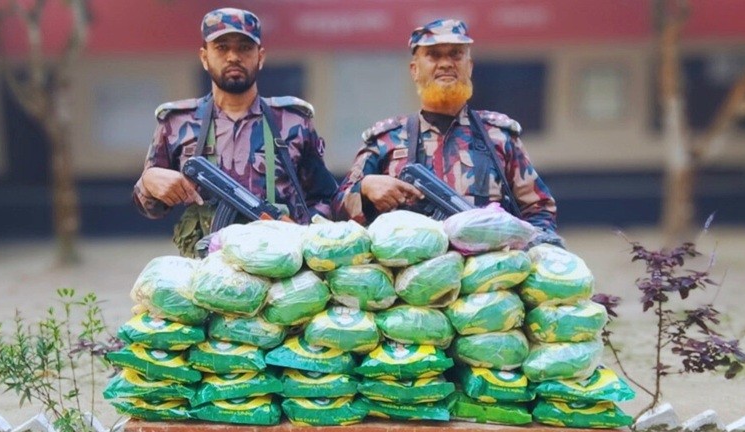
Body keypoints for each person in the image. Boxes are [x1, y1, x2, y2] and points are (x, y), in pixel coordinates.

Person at [331, 19, 561, 245]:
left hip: (489, 267)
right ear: (414, 70)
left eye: (455, 54)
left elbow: (539, 209)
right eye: (433, 55)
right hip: (411, 267)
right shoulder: (385, 140)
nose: (446, 64)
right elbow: (337, 209)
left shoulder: (498, 137)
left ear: (469, 66)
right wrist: (365, 188)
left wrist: (531, 249)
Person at [133, 8, 338, 256]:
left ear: (260, 57)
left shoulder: (293, 121)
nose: (233, 57)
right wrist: (149, 182)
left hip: (280, 266)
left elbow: (327, 197)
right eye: (221, 48)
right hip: (206, 268)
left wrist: (303, 233)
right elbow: (151, 209)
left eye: (244, 48)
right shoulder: (176, 123)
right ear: (204, 57)